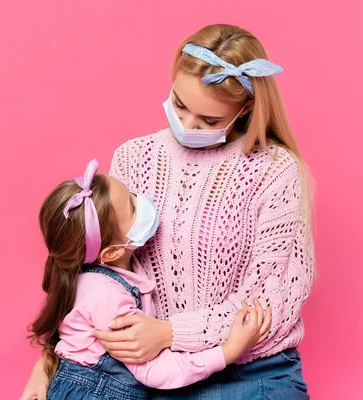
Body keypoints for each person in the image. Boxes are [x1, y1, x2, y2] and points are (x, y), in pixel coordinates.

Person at [20, 23, 315, 400]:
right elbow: (95, 273)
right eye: (179, 105)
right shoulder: (134, 158)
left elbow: (272, 304)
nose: (187, 126)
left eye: (208, 121)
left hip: (251, 370)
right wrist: (49, 363)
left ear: (246, 108)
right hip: (148, 369)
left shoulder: (276, 172)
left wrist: (170, 332)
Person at [28, 159, 270, 399]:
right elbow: (154, 370)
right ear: (111, 252)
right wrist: (228, 351)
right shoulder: (107, 297)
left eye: (132, 194)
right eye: (133, 207)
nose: (142, 200)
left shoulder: (108, 275)